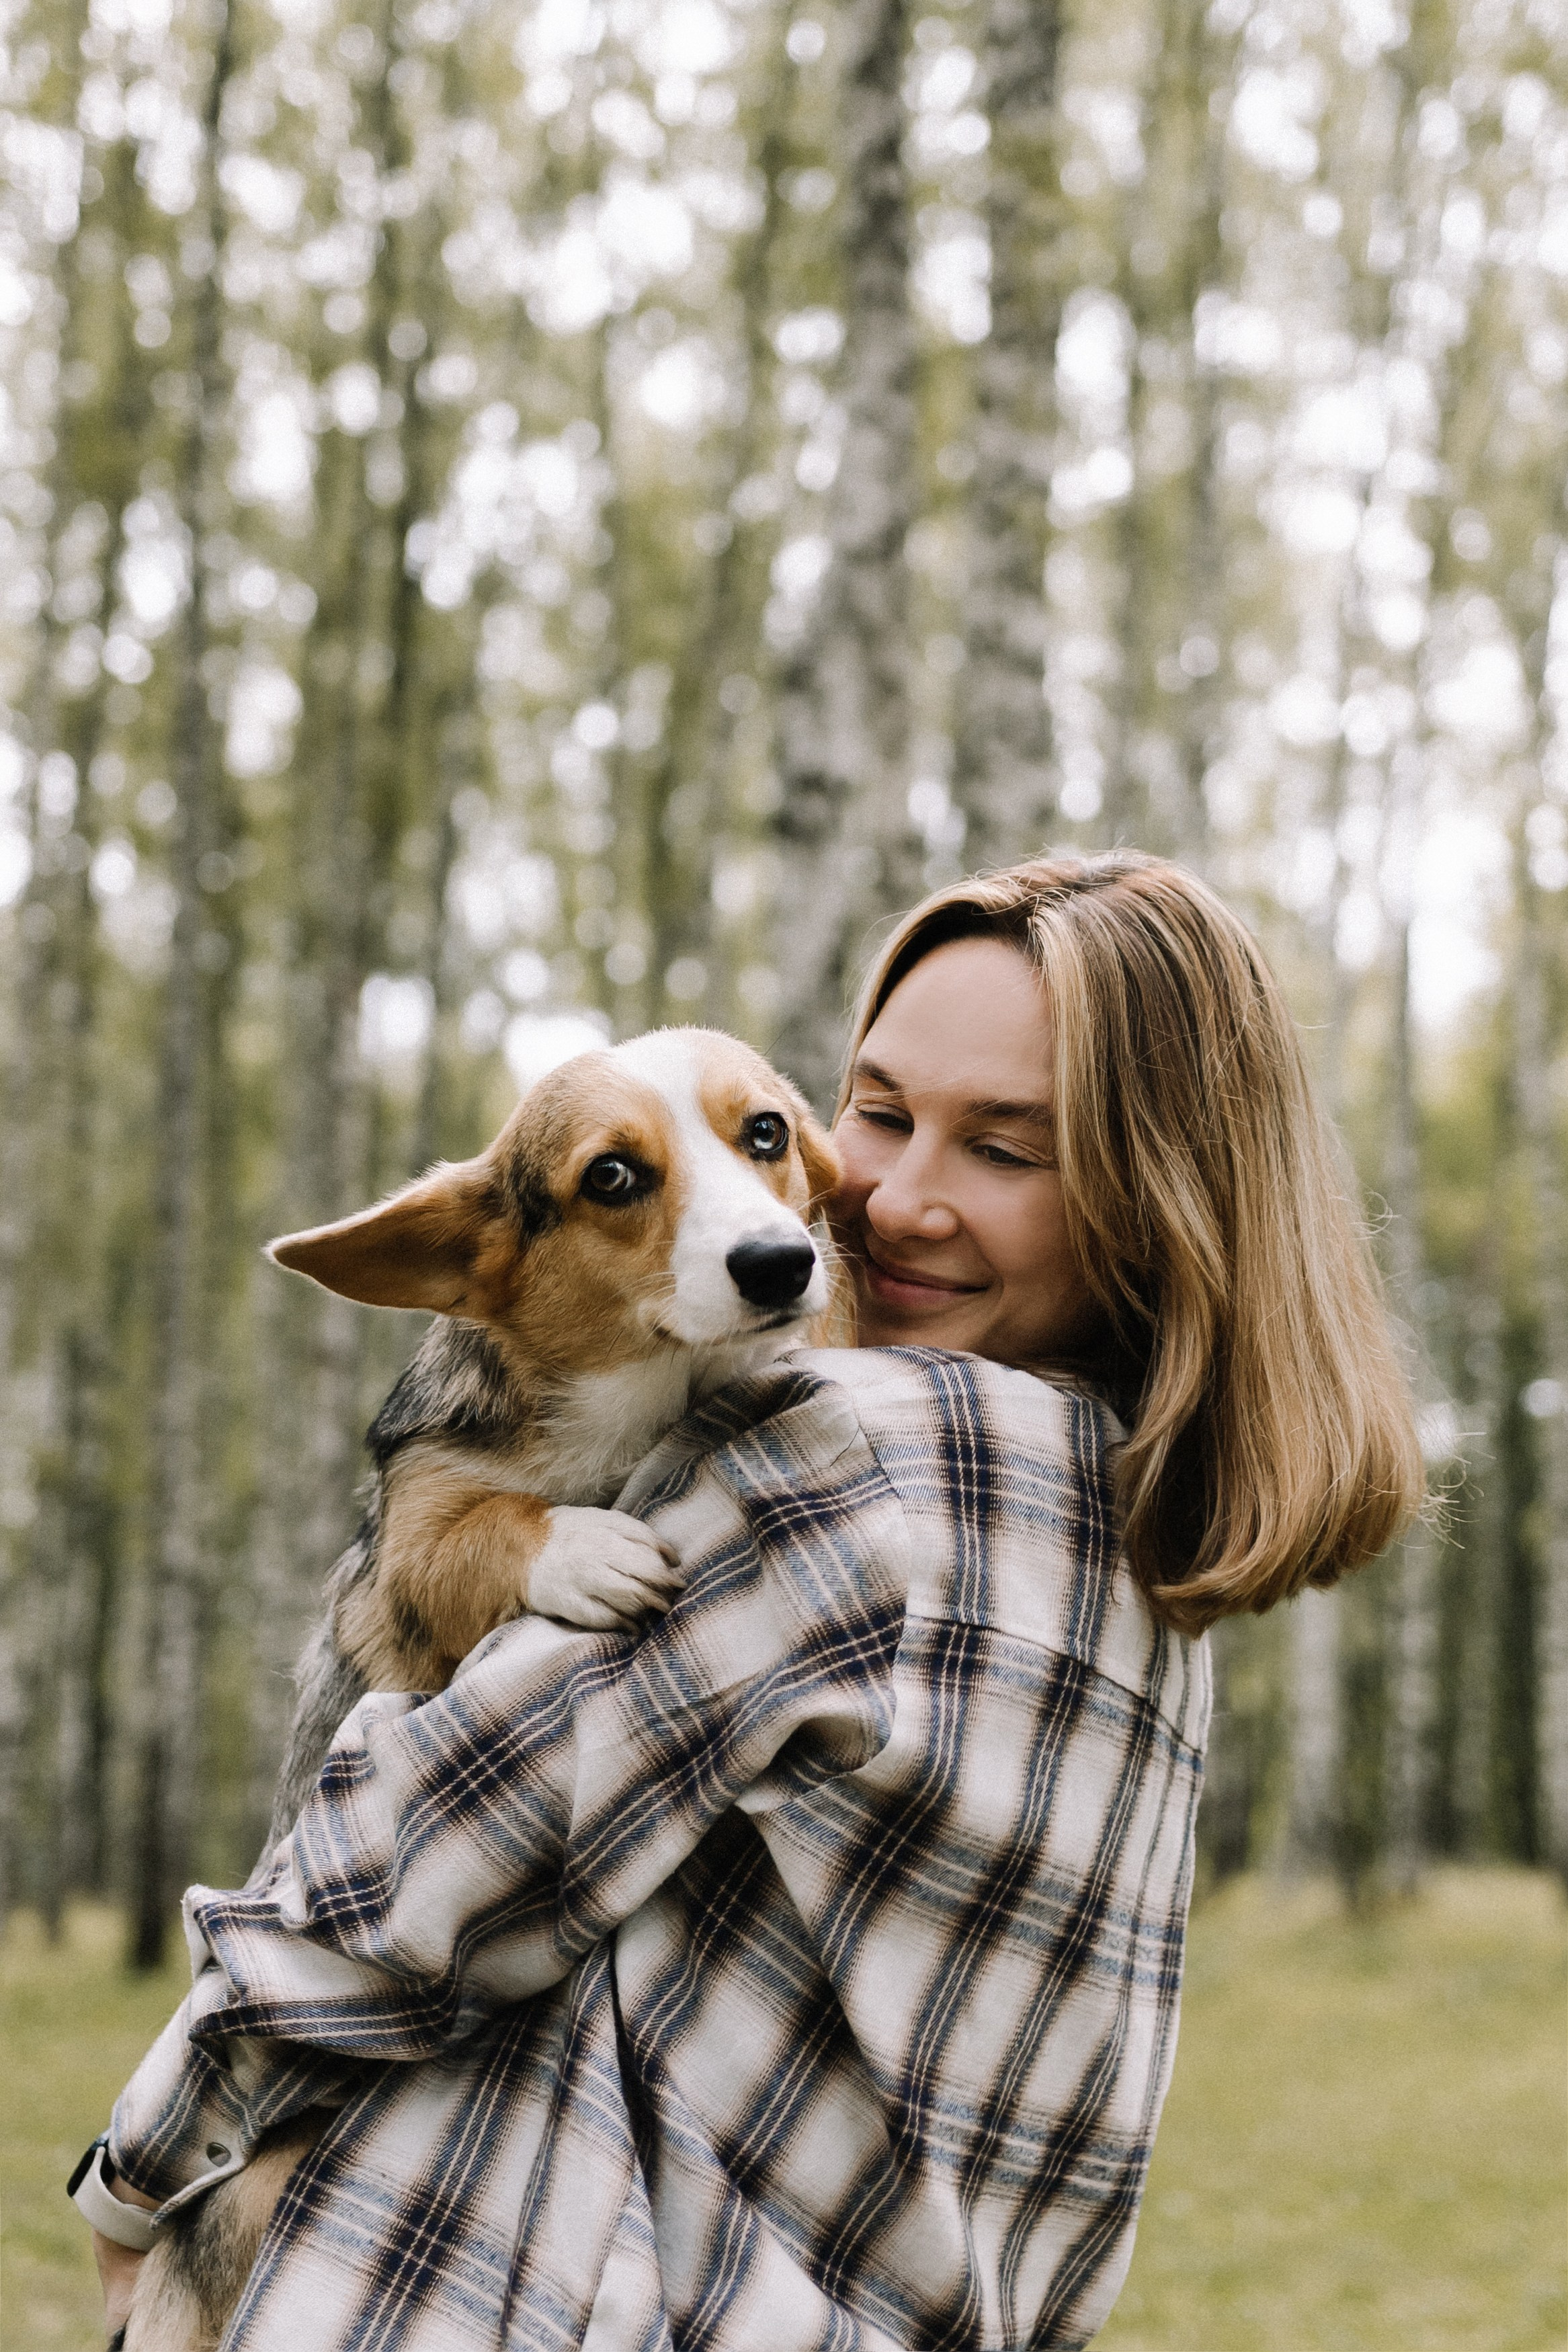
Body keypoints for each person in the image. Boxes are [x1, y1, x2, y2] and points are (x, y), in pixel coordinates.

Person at [82, 852, 1423, 2351]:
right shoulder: (1137, 1549)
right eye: (882, 1110)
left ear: (1162, 1193)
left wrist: (143, 2181)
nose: (886, 1199)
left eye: (1005, 1149)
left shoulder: (850, 1457)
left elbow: (413, 1881)